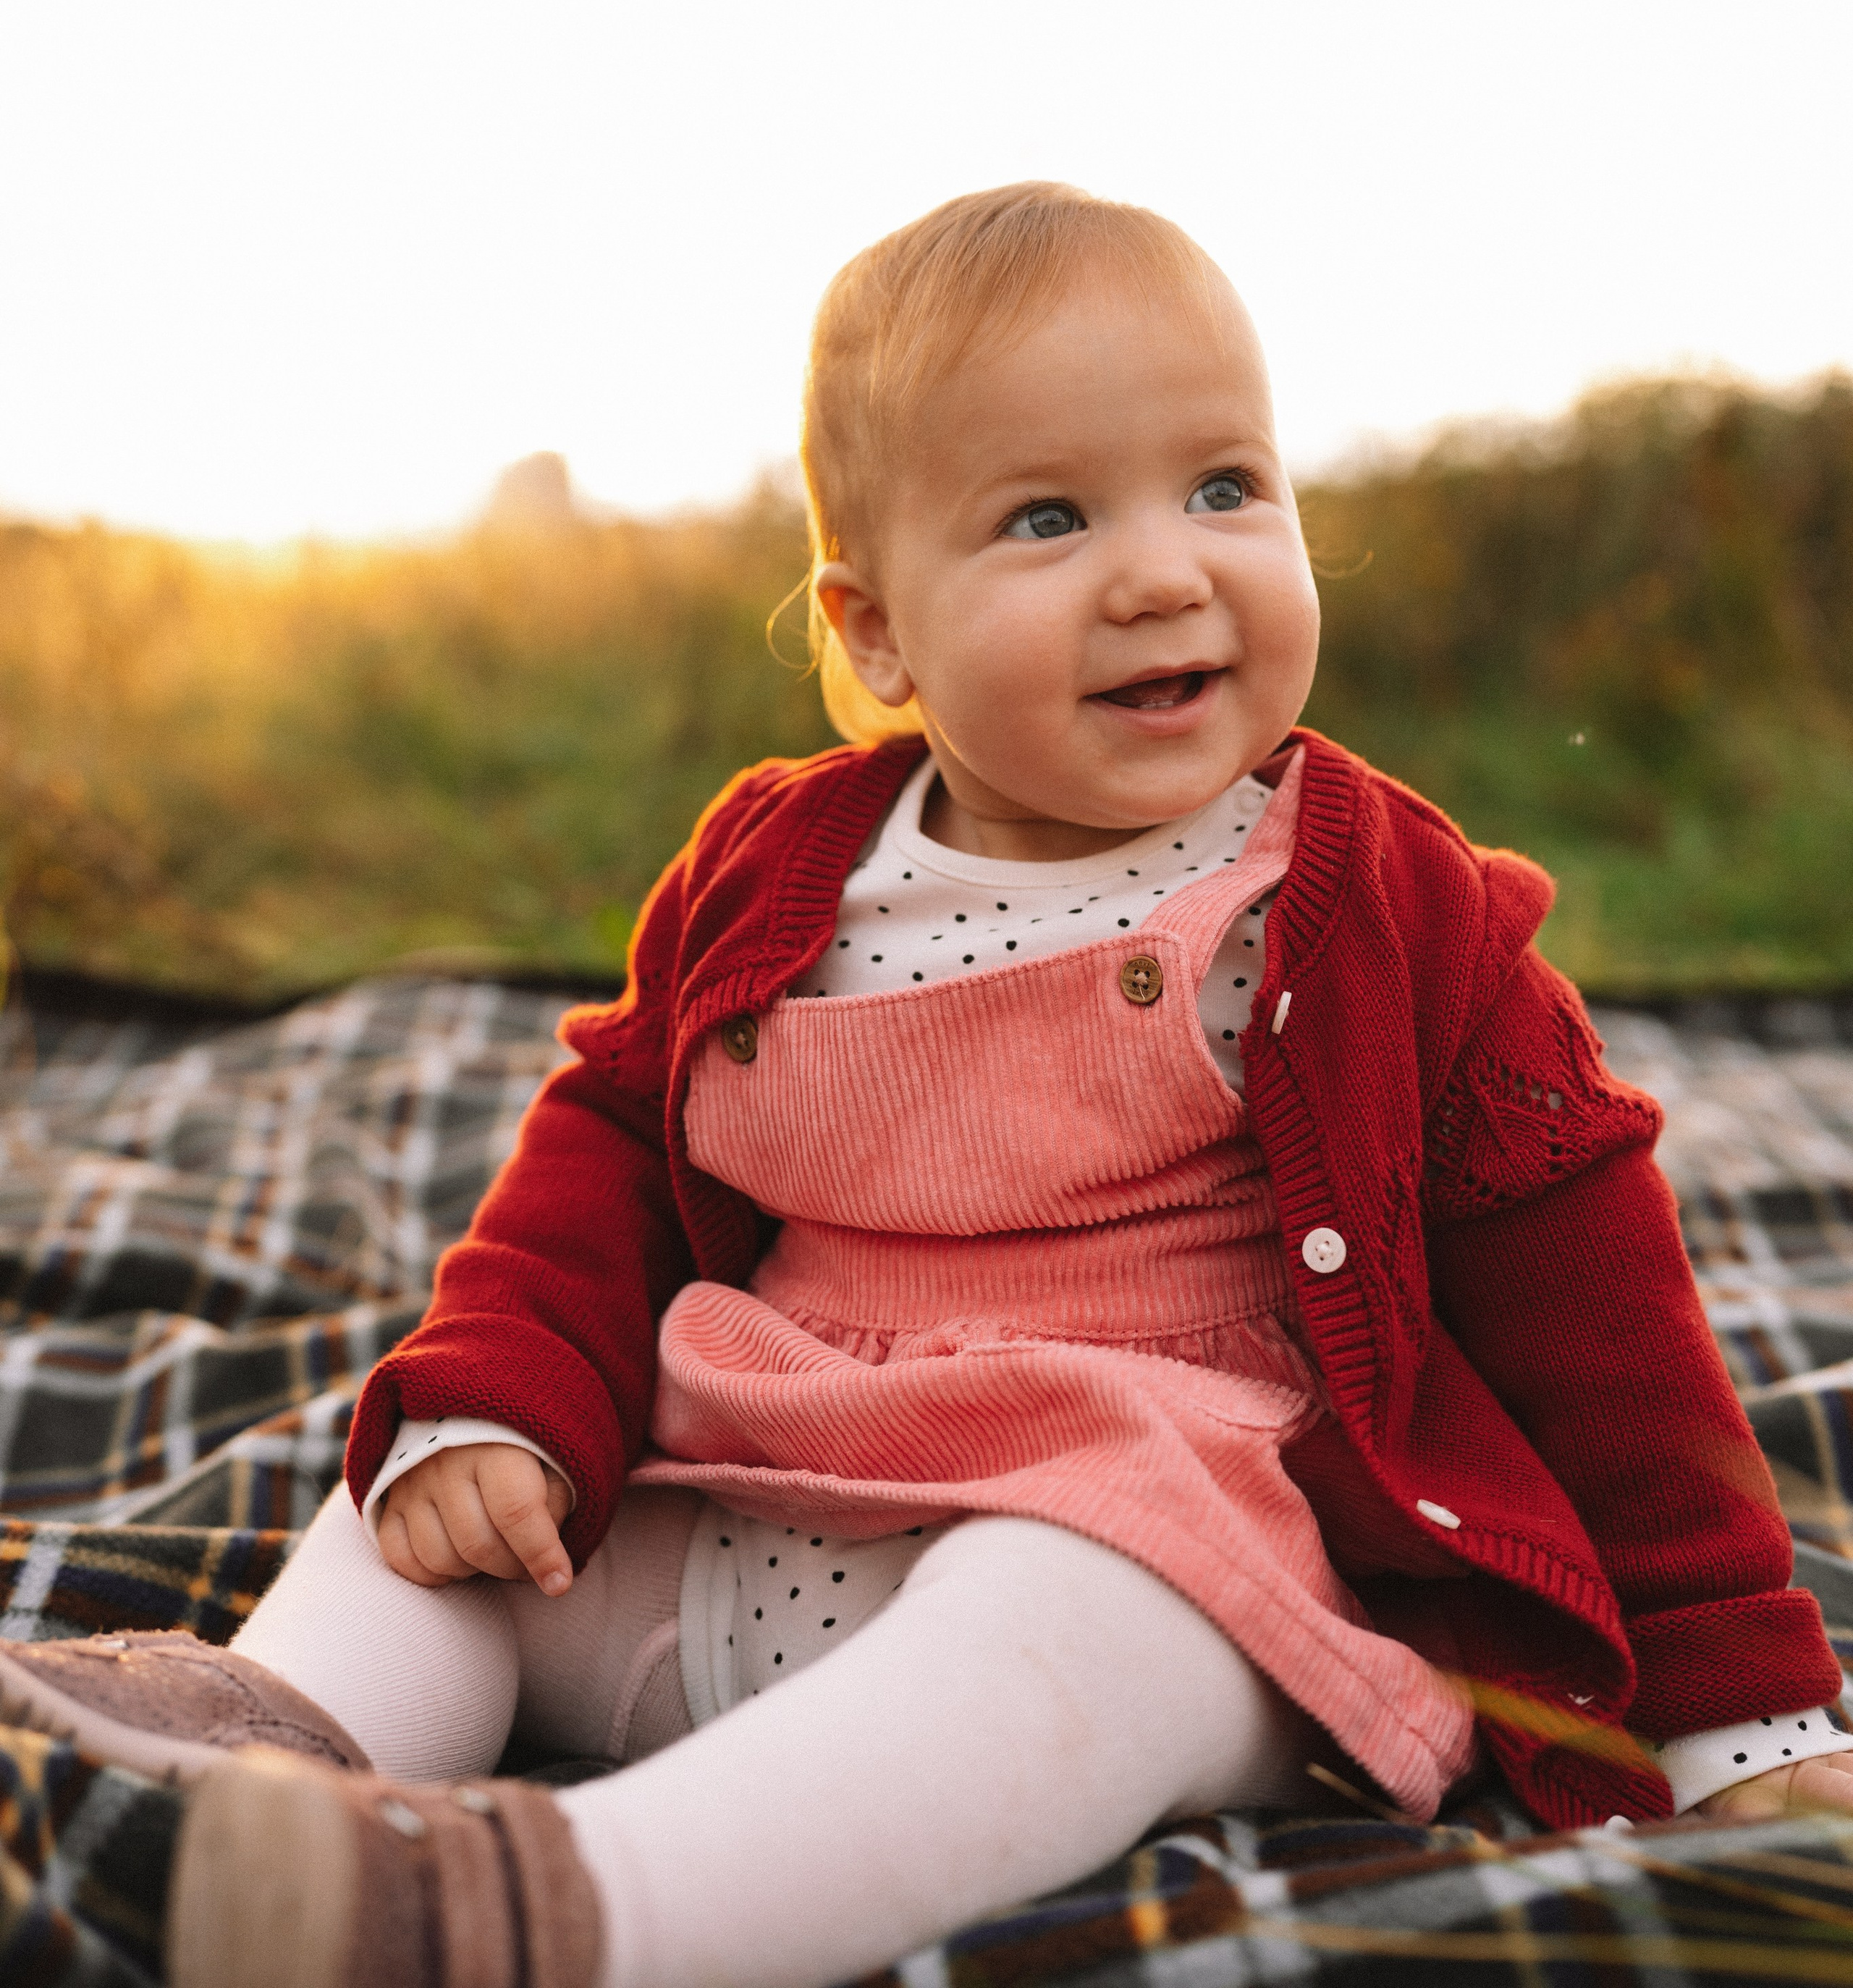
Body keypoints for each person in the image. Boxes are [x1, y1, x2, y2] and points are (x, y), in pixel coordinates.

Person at [1, 182, 1848, 1988]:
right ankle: (277, 1749)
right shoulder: (778, 870)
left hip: (1156, 1527)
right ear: (876, 635)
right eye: (1046, 517)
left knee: (1084, 1623)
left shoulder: (1367, 904)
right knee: (436, 1508)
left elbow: (1598, 1305)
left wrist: (1737, 1697)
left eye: (1224, 486)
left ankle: (575, 1904)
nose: (1159, 568)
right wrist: (492, 1398)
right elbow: (614, 1148)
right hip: (735, 1487)